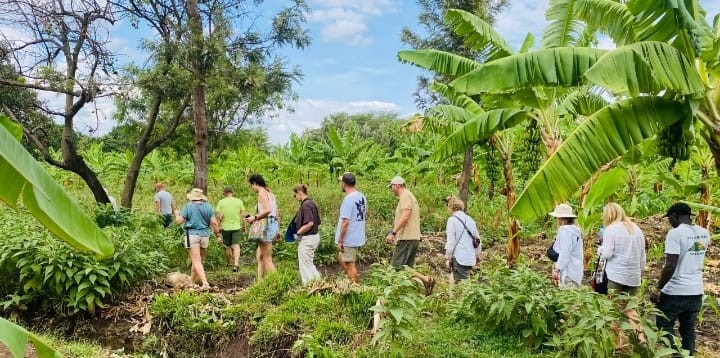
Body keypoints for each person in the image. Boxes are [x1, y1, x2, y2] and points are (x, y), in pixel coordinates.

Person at [650, 203, 710, 356]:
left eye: (670, 218)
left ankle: (675, 354)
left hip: (675, 291)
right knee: (687, 328)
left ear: (675, 216)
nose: (669, 222)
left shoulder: (675, 234)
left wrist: (658, 288)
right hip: (696, 290)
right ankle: (688, 355)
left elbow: (670, 266)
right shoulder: (704, 233)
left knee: (664, 325)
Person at [385, 176, 435, 295]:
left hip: (407, 238)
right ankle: (421, 284)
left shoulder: (405, 196)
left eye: (391, 186)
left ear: (397, 186)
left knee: (396, 267)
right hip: (411, 237)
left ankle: (425, 280)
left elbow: (406, 215)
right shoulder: (410, 196)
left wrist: (393, 232)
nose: (391, 189)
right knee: (406, 268)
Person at [174, 188, 220, 290]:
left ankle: (205, 283)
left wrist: (177, 213)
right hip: (205, 236)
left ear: (191, 198)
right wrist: (218, 235)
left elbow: (178, 221)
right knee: (198, 261)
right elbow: (214, 223)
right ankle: (191, 283)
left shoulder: (188, 207)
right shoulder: (208, 207)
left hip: (192, 235)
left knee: (196, 261)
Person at [598, 203, 646, 295]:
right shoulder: (636, 229)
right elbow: (642, 255)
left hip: (616, 275)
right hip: (634, 276)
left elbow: (606, 254)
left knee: (615, 306)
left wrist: (600, 250)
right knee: (629, 307)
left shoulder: (611, 229)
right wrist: (640, 271)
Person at [244, 174, 279, 279]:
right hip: (273, 224)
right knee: (260, 256)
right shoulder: (270, 193)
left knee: (267, 258)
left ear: (254, 183)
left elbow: (267, 210)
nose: (252, 188)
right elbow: (276, 212)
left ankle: (279, 282)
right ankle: (260, 282)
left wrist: (254, 218)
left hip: (267, 226)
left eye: (251, 186)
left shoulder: (262, 193)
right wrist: (278, 229)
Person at [335, 172, 367, 283]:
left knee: (350, 265)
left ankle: (355, 285)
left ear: (344, 184)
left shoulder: (348, 199)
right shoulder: (361, 196)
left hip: (349, 238)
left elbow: (345, 222)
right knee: (341, 258)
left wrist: (340, 240)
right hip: (357, 235)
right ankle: (352, 278)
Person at [444, 196, 481, 284]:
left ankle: (459, 297)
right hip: (470, 257)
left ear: (450, 207)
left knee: (462, 286)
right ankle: (452, 297)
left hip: (459, 257)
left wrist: (448, 257)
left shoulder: (452, 220)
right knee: (456, 279)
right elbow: (478, 240)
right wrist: (477, 254)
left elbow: (451, 243)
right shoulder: (470, 220)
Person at [549, 203, 583, 288]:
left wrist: (557, 270)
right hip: (575, 271)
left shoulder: (565, 231)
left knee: (568, 299)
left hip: (568, 272)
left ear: (560, 218)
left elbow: (565, 254)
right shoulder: (575, 231)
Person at [293, 184, 322, 285]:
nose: (295, 198)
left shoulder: (305, 205)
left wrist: (298, 233)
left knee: (305, 265)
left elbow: (310, 223)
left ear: (299, 192)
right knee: (309, 263)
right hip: (314, 237)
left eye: (295, 195)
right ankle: (318, 283)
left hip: (308, 238)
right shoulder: (311, 203)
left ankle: (310, 286)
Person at [215, 186, 246, 272]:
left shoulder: (221, 202)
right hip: (236, 227)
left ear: (224, 193)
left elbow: (218, 216)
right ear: (232, 192)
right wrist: (244, 226)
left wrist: (218, 227)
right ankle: (236, 264)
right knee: (236, 246)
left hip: (225, 228)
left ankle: (228, 263)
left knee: (227, 246)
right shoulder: (239, 201)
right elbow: (243, 216)